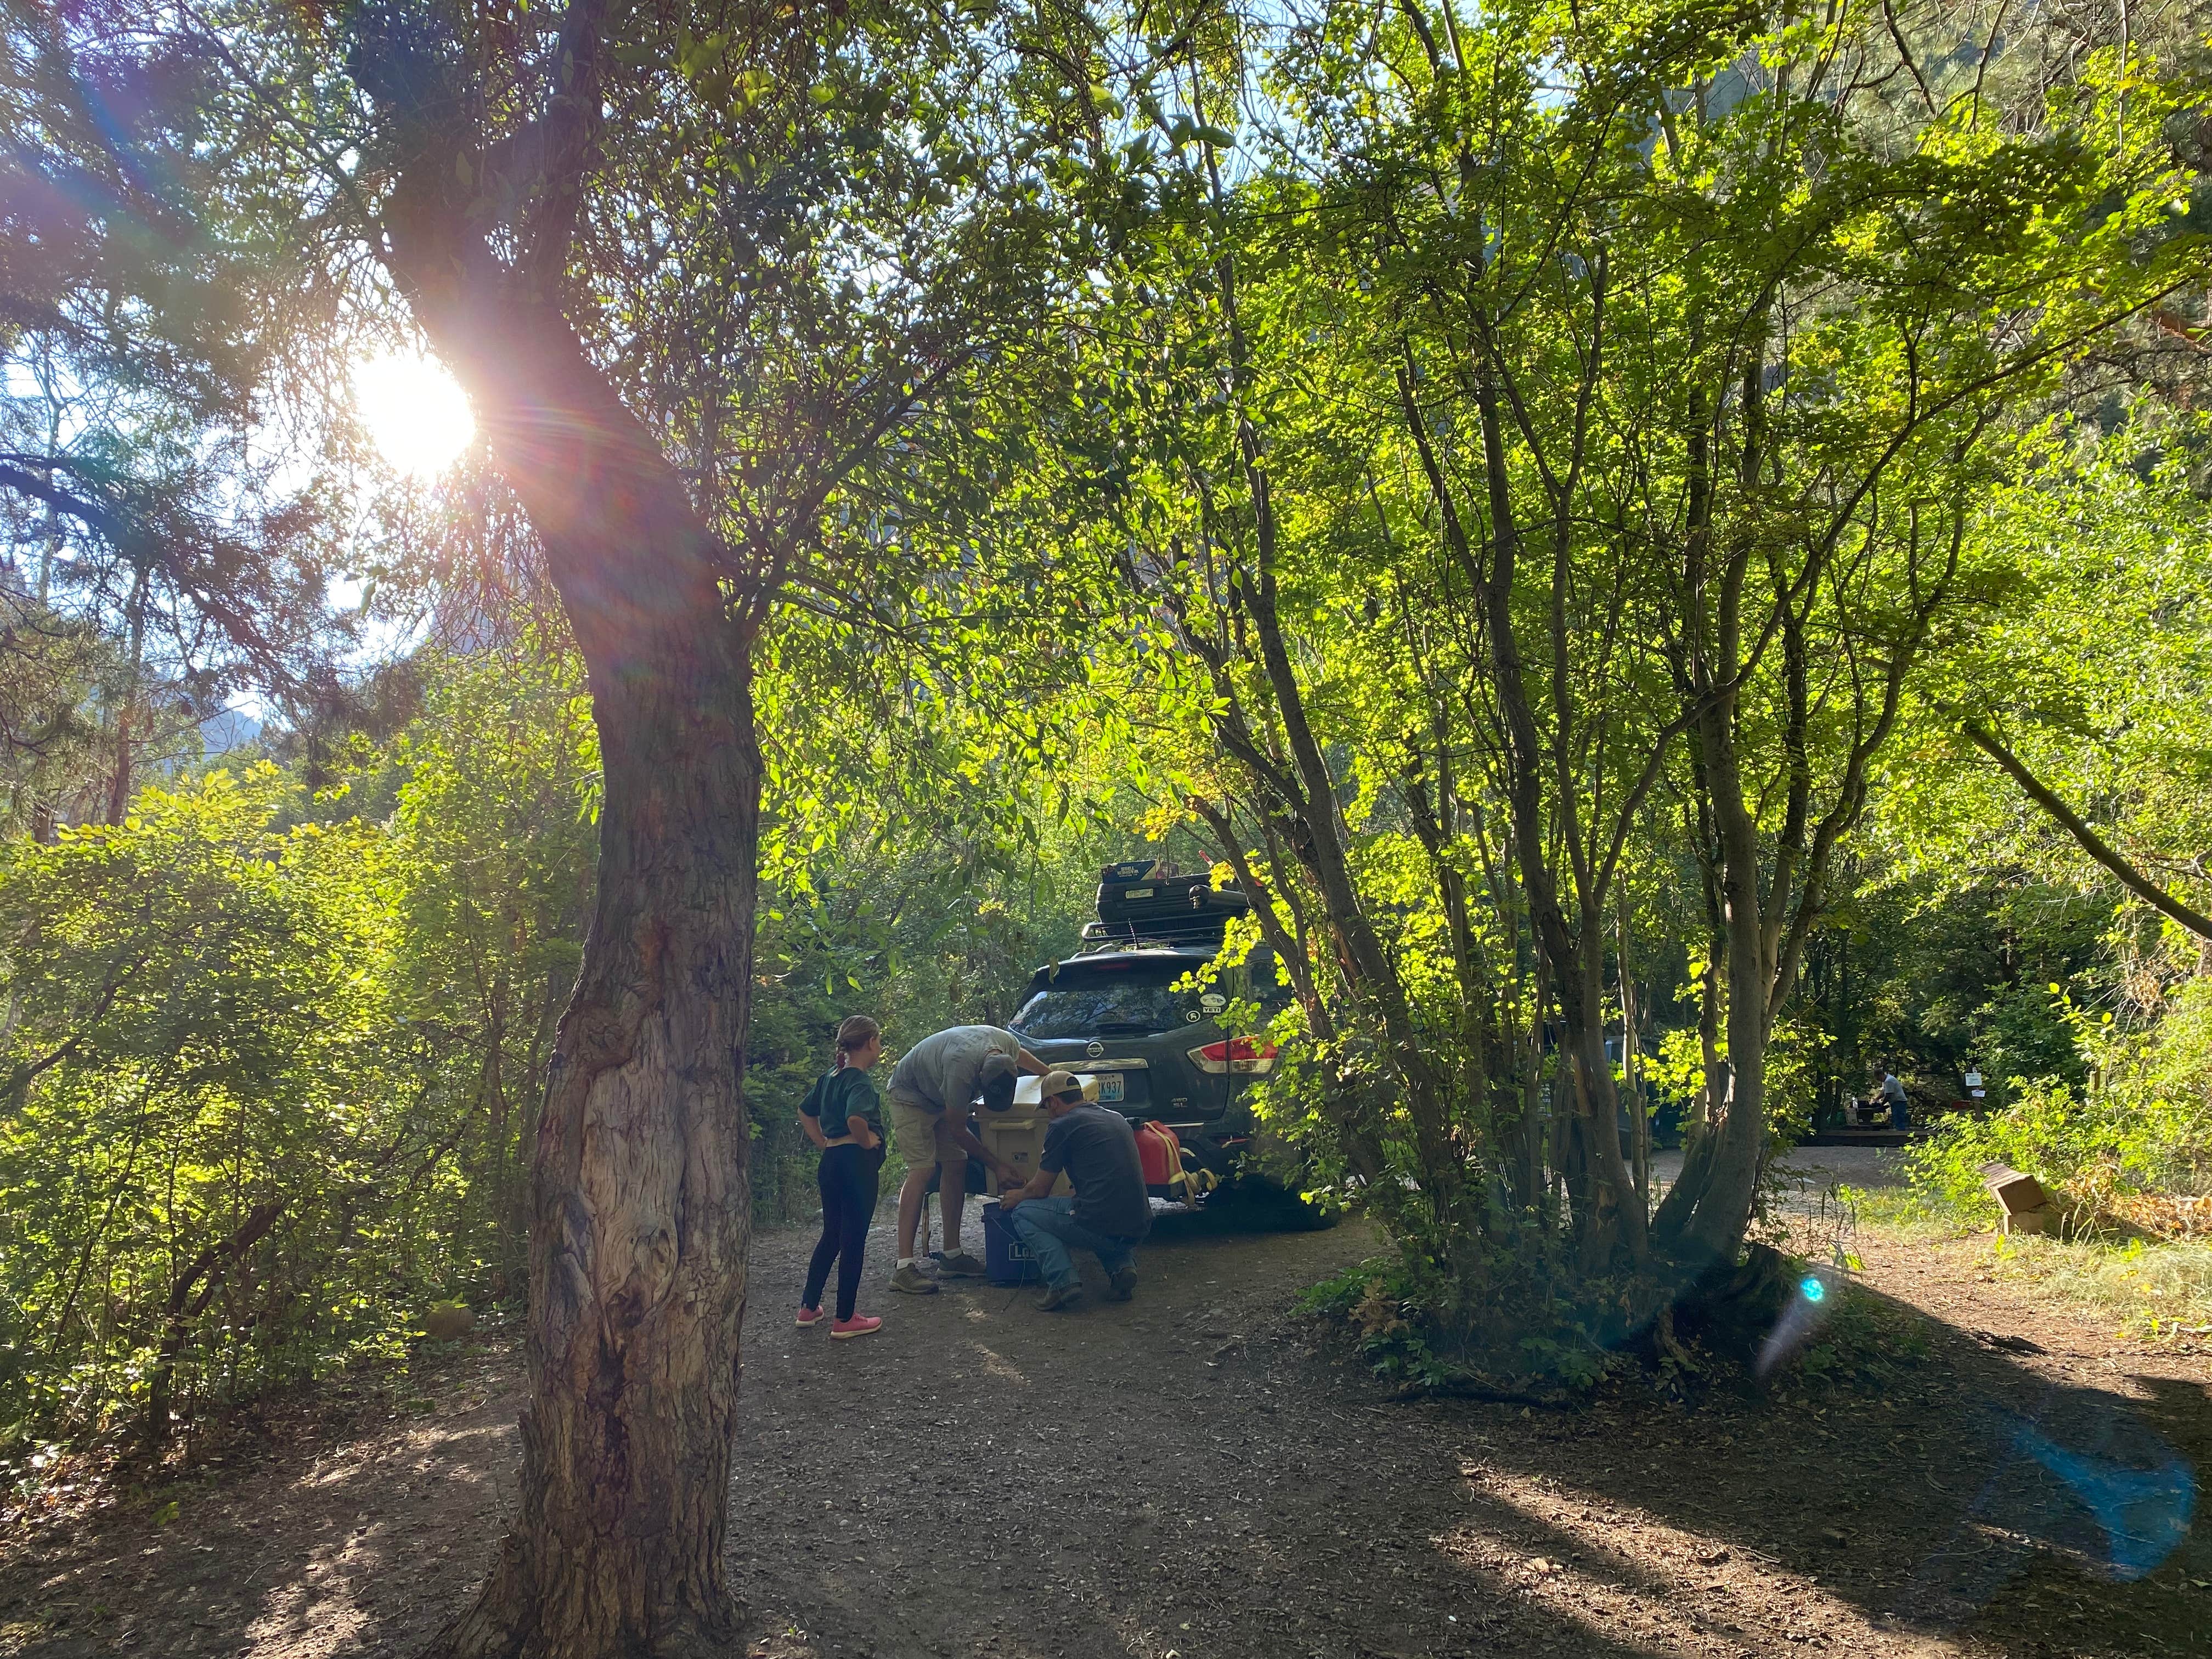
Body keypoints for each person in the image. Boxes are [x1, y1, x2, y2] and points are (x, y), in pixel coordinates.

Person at [883, 1024, 1049, 1294]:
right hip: (911, 1096)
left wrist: (1051, 1076)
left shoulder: (1005, 1044)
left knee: (957, 1163)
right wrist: (997, 1166)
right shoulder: (961, 1069)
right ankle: (904, 1268)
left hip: (940, 1096)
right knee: (923, 1169)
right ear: (980, 1076)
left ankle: (952, 1257)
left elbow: (1022, 1055)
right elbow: (959, 1130)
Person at [999, 1069, 1152, 1312]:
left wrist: (1018, 1195)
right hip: (1138, 1225)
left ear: (1054, 1102)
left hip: (1100, 1225)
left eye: (1047, 1108)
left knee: (1025, 1211)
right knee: (1096, 1209)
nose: (1048, 1114)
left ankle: (1062, 1283)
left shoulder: (1062, 1125)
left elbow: (1039, 1190)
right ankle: (1122, 1268)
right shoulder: (1115, 1117)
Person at [795, 1015, 887, 1339]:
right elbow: (855, 1118)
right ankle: (845, 1318)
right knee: (853, 1239)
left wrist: (822, 1142)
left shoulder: (829, 1077)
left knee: (832, 1234)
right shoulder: (858, 1081)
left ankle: (809, 1308)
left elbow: (805, 1112)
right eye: (878, 1041)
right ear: (871, 1042)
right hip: (854, 1163)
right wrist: (867, 1142)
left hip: (831, 1161)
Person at [1879, 1066, 1911, 1132]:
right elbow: (1884, 1091)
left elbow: (1888, 1095)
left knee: (1899, 1117)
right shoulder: (1886, 1080)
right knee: (1896, 1117)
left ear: (1881, 1075)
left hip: (1899, 1101)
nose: (1879, 1080)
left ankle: (1900, 1132)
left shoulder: (1889, 1081)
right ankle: (1898, 1129)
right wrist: (1877, 1098)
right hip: (1895, 1101)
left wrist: (1882, 1104)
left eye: (1878, 1078)